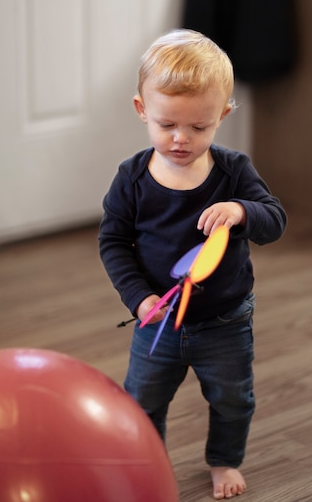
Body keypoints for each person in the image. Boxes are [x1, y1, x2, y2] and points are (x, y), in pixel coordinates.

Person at [99, 29, 287, 499]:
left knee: (232, 399)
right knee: (142, 401)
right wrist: (138, 298)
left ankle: (223, 460)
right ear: (142, 109)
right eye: (167, 125)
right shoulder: (132, 178)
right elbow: (114, 242)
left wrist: (243, 211)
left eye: (199, 128)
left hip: (225, 320)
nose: (181, 139)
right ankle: (149, 459)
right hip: (157, 322)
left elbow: (275, 221)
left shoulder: (234, 172)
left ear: (222, 115)